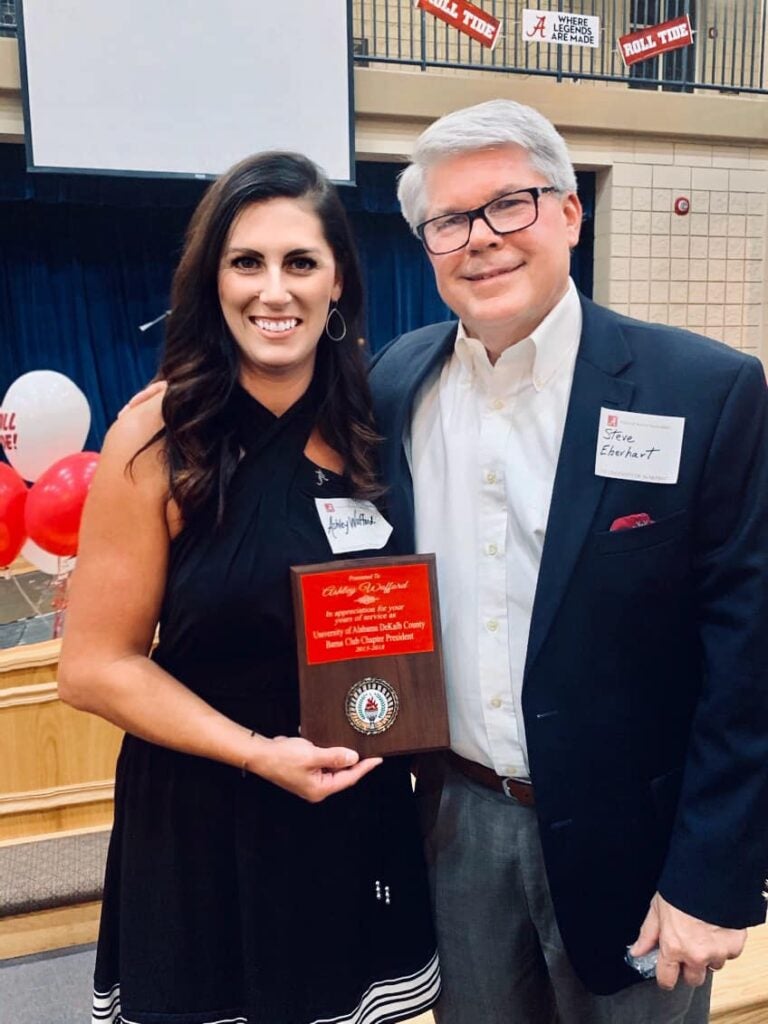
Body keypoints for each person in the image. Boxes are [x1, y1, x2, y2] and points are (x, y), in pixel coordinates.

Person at [367, 99, 768, 1023]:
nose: (483, 240)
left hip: (644, 846)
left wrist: (716, 875)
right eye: (450, 221)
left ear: (571, 214)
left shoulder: (702, 393)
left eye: (511, 203)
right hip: (458, 826)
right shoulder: (395, 383)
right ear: (426, 244)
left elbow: (747, 661)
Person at [58, 151, 439, 1024]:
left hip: (350, 810)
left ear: (338, 279)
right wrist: (255, 752)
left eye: (300, 262)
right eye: (247, 262)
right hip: (205, 815)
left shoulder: (376, 421)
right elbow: (90, 667)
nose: (276, 290)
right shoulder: (160, 434)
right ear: (212, 281)